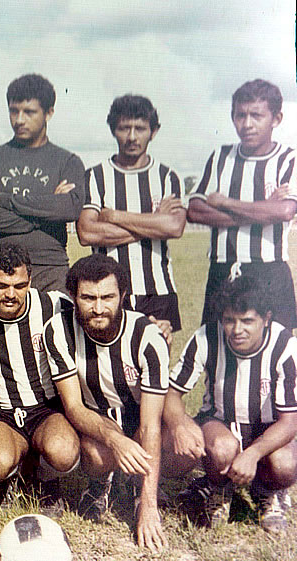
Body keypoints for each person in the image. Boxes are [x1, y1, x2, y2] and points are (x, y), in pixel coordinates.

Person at [43, 254, 170, 553]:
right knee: (96, 455)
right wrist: (115, 440)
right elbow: (74, 407)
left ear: (122, 296)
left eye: (107, 297)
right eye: (88, 298)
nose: (98, 308)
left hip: (140, 418)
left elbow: (151, 425)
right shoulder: (59, 330)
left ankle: (141, 489)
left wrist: (149, 506)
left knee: (175, 447)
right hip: (98, 416)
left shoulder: (148, 337)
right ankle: (101, 484)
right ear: (73, 296)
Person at [171, 275, 297, 533]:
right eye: (230, 320)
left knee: (285, 464)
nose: (237, 330)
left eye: (247, 321)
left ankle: (268, 491)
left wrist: (253, 453)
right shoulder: (207, 337)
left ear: (266, 318)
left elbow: (290, 422)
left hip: (268, 428)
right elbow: (171, 393)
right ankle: (218, 489)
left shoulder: (285, 345)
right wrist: (180, 424)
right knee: (221, 448)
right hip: (220, 422)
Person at [0, 244, 79, 509]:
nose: (11, 295)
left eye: (19, 285)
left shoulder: (54, 305)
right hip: (1, 412)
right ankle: (6, 478)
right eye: (1, 286)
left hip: (46, 409)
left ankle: (44, 477)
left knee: (64, 452)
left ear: (30, 281)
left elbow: (95, 321)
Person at [187, 78, 297, 329]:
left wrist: (224, 202)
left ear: (276, 119)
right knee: (218, 344)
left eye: (256, 116)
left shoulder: (289, 159)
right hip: (223, 269)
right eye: (240, 115)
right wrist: (264, 208)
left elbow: (285, 210)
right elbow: (194, 211)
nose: (247, 124)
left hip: (270, 271)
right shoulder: (221, 157)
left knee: (275, 347)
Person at [77, 94, 186, 336]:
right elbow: (86, 233)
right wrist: (154, 223)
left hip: (158, 291)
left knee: (156, 356)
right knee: (108, 357)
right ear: (113, 130)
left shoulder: (167, 177)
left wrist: (114, 216)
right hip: (107, 291)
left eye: (140, 128)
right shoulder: (95, 176)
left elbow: (174, 227)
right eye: (125, 128)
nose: (133, 137)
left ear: (154, 131)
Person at [0, 73, 85, 296]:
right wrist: (43, 213)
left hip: (49, 269)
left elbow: (69, 208)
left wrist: (3, 200)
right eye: (14, 111)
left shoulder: (67, 162)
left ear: (49, 112)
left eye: (29, 112)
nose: (19, 120)